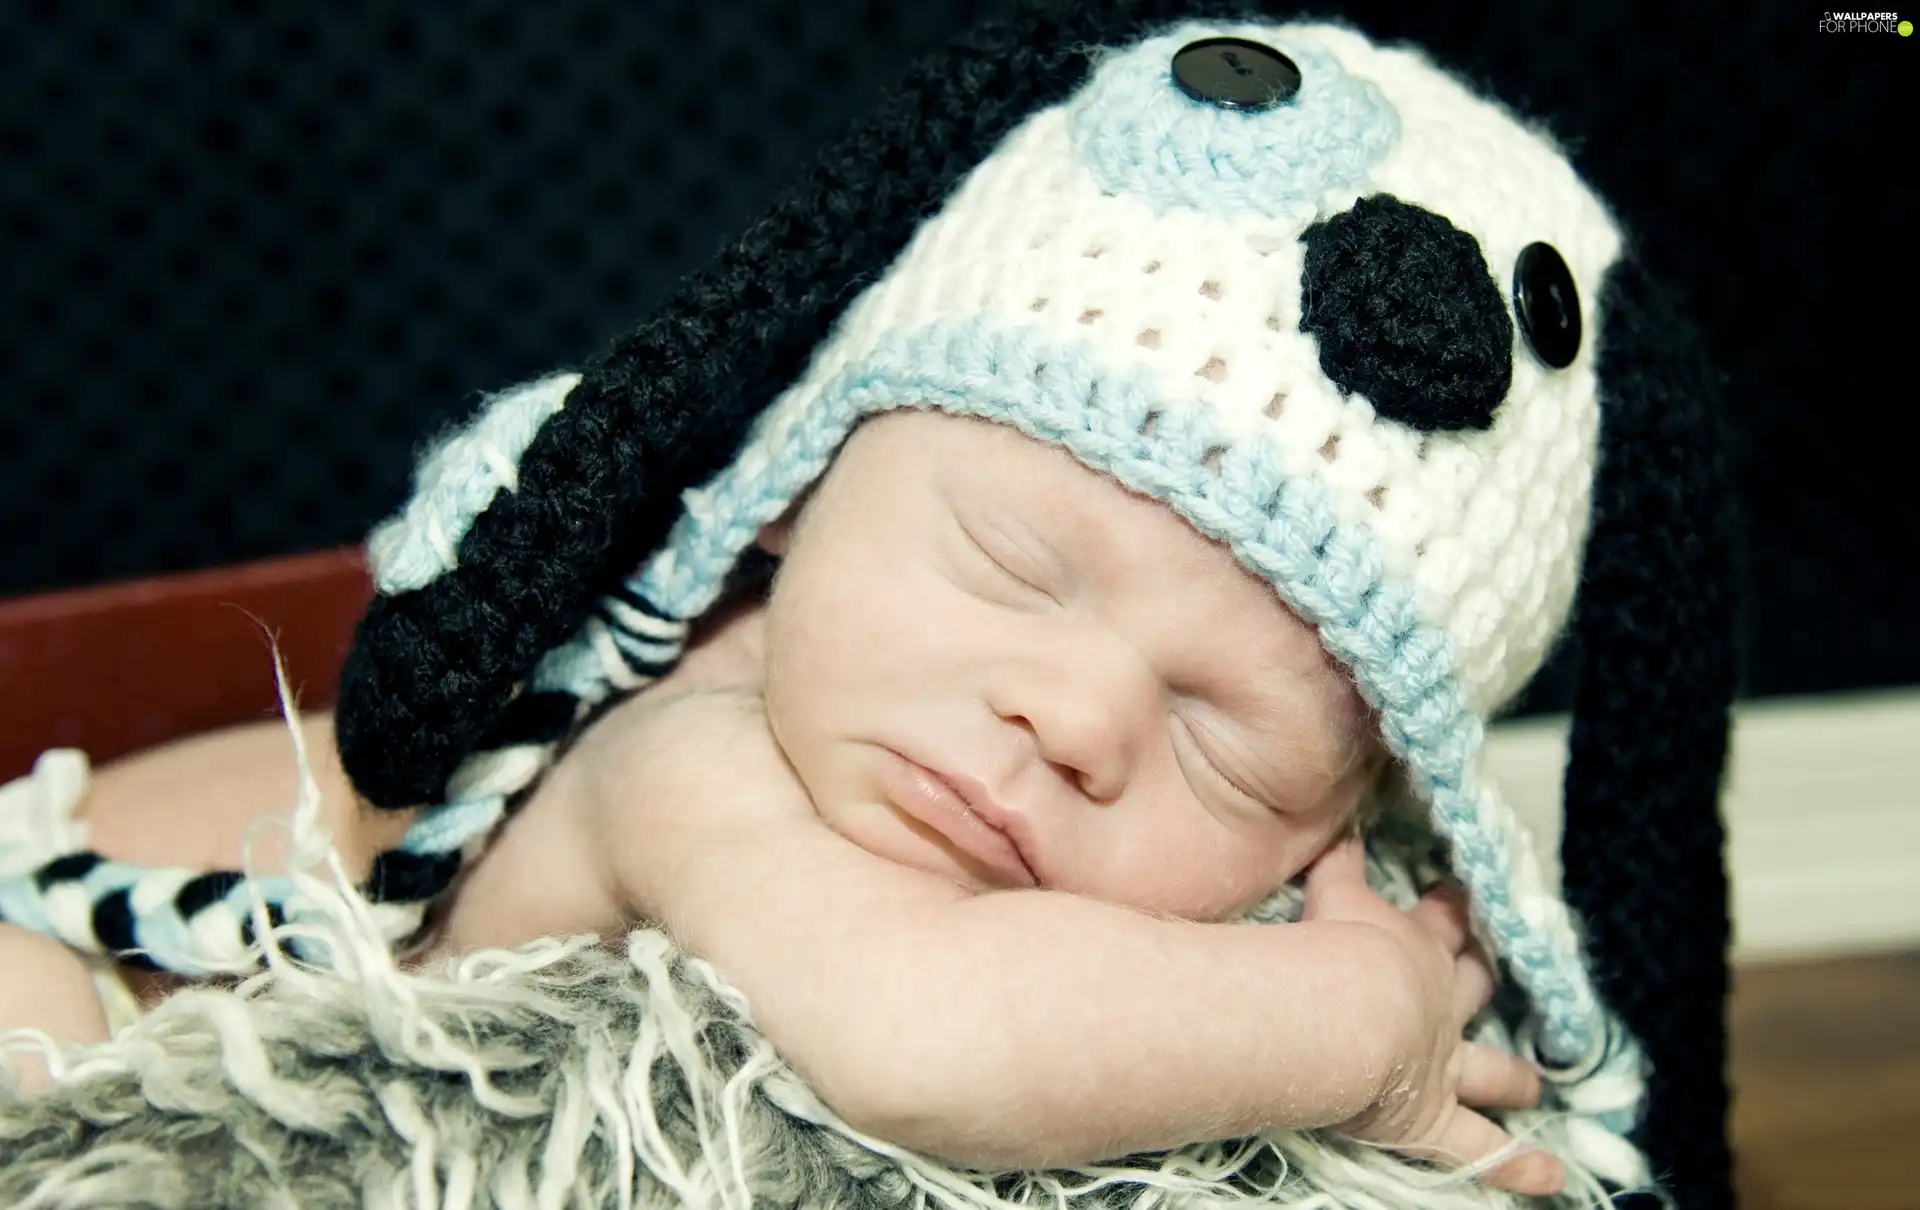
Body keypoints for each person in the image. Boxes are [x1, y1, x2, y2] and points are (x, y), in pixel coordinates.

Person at [0, 406, 1564, 1194]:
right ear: (794, 506)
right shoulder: (708, 751)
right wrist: (1359, 1021)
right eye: (1015, 572)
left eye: (1229, 748)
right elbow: (917, 1033)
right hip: (55, 927)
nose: (1077, 718)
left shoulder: (901, 721)